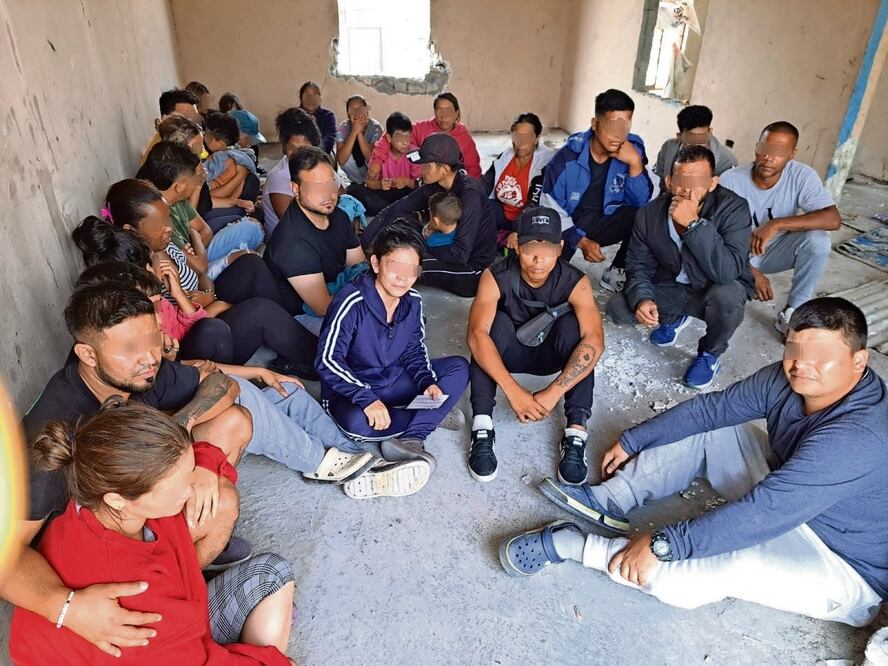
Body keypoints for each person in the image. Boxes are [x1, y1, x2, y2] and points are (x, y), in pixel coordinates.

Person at [501, 297, 888, 629]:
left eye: (822, 356)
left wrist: (663, 545)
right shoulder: (787, 378)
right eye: (795, 349)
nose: (802, 364)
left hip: (841, 562)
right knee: (715, 432)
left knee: (717, 569)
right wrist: (635, 439)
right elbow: (712, 411)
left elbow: (766, 512)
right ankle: (611, 499)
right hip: (788, 487)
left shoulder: (858, 437)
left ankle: (573, 544)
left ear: (858, 361)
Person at [10, 401, 295, 664]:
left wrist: (204, 466)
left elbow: (199, 451)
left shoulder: (96, 499)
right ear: (119, 499)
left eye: (189, 471)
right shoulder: (135, 604)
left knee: (266, 571)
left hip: (159, 634)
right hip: (155, 647)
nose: (190, 489)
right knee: (273, 576)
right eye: (180, 484)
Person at [316, 222, 470, 499]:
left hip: (393, 379)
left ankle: (414, 436)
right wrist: (366, 398)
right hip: (354, 391)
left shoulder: (412, 300)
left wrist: (426, 382)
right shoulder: (351, 301)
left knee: (458, 368)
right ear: (375, 263)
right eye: (394, 266)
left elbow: (414, 349)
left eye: (410, 270)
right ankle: (429, 414)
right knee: (355, 424)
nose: (402, 278)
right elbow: (327, 360)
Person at [465, 206, 604, 485]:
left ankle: (576, 432)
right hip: (510, 353)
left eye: (549, 249)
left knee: (578, 333)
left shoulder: (575, 281)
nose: (539, 260)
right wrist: (514, 392)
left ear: (561, 248)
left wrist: (553, 392)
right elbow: (475, 336)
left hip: (553, 353)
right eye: (530, 248)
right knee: (493, 327)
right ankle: (482, 426)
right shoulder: (495, 276)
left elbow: (595, 341)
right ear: (516, 245)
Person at [606, 145, 753, 390]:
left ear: (713, 183)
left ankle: (709, 354)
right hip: (673, 285)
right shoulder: (649, 214)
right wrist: (643, 299)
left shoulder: (734, 208)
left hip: (713, 288)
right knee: (619, 308)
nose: (687, 190)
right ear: (668, 181)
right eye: (681, 181)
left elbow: (728, 272)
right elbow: (638, 264)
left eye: (697, 182)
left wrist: (694, 225)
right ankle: (674, 317)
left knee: (728, 295)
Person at [719, 121, 841, 336]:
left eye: (779, 152)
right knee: (724, 297)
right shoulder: (731, 180)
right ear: (757, 147)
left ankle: (794, 311)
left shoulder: (802, 175)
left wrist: (776, 224)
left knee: (818, 240)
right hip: (737, 253)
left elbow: (833, 219)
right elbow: (715, 239)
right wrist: (749, 270)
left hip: (776, 250)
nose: (769, 157)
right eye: (765, 149)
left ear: (792, 154)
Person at [101, 178, 277, 309]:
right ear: (130, 230)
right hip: (199, 324)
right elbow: (178, 324)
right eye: (160, 224)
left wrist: (208, 296)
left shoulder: (165, 245)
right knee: (258, 312)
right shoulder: (145, 274)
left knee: (251, 263)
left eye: (167, 219)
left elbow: (201, 274)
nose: (169, 228)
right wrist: (214, 305)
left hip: (207, 301)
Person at [541, 89, 654, 293]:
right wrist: (580, 241)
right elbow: (550, 208)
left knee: (645, 216)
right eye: (612, 126)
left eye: (624, 127)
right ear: (595, 124)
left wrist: (635, 164)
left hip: (605, 219)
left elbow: (641, 201)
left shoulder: (632, 149)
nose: (618, 135)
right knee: (549, 279)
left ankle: (617, 269)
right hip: (568, 223)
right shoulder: (567, 158)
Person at [363, 134, 496, 297]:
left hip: (470, 269)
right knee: (399, 218)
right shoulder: (435, 185)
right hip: (438, 243)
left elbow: (460, 254)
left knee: (408, 266)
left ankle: (373, 277)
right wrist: (364, 245)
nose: (421, 170)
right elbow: (395, 208)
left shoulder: (470, 194)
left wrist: (417, 252)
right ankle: (372, 259)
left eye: (427, 166)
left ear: (444, 169)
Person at [264, 146, 366, 323]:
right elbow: (323, 307)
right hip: (301, 316)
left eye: (331, 183)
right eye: (317, 187)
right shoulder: (292, 242)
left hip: (336, 292)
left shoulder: (338, 215)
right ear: (295, 189)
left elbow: (359, 266)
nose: (328, 194)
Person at [137, 141, 263, 270]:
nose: (200, 179)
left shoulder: (175, 197)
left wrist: (195, 245)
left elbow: (206, 231)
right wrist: (195, 236)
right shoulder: (159, 217)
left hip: (197, 255)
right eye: (197, 177)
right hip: (190, 274)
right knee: (252, 235)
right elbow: (196, 266)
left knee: (251, 227)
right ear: (180, 186)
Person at [481, 112, 555, 249]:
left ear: (537, 138)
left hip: (528, 221)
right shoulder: (506, 157)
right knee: (478, 207)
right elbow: (485, 184)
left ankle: (502, 238)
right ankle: (499, 238)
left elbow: (534, 203)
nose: (521, 143)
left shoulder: (544, 163)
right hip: (502, 214)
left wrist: (516, 230)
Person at [261, 107, 323, 236]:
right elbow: (296, 226)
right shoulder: (279, 178)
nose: (297, 154)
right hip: (292, 242)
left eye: (304, 148)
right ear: (284, 147)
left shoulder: (320, 166)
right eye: (291, 148)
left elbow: (342, 198)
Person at [349, 111, 422, 215]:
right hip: (385, 194)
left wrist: (407, 182)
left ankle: (387, 213)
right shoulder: (380, 154)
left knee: (416, 198)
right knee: (354, 190)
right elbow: (369, 183)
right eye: (400, 138)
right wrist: (380, 184)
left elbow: (420, 184)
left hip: (405, 194)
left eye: (407, 137)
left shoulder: (414, 153)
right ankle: (394, 213)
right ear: (389, 138)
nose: (405, 142)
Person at [653, 105, 737, 192]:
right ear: (679, 136)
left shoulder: (727, 162)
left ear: (710, 132)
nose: (697, 143)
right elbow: (658, 182)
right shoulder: (668, 148)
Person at [412, 92, 482, 179]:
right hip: (426, 180)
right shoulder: (420, 128)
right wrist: (420, 170)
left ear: (456, 113)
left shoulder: (463, 135)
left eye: (448, 111)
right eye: (439, 110)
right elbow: (404, 142)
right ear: (434, 112)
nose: (443, 116)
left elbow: (473, 168)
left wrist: (465, 187)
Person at [203, 111, 259, 202]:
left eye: (206, 133)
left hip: (216, 197)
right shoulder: (242, 154)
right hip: (232, 197)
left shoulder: (218, 158)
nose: (204, 137)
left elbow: (201, 178)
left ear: (215, 139)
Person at [141, 88, 202, 163]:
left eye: (194, 118)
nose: (193, 124)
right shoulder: (159, 157)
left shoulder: (192, 144)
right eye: (186, 118)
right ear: (165, 119)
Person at [335, 95, 384, 185]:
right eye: (353, 110)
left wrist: (359, 133)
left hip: (371, 170)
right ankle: (359, 183)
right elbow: (341, 160)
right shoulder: (343, 127)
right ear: (348, 114)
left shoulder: (376, 128)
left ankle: (370, 182)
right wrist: (354, 132)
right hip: (355, 172)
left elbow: (370, 158)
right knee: (347, 156)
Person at [298, 81, 337, 154]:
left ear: (320, 98)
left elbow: (330, 138)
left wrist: (315, 152)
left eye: (315, 96)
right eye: (307, 96)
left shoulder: (328, 116)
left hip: (321, 154)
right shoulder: (295, 116)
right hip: (299, 155)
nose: (311, 99)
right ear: (301, 98)